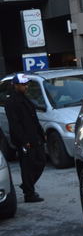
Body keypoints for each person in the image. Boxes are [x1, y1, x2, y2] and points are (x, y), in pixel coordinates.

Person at [5, 74, 46, 203]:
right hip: (25, 140)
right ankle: (29, 193)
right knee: (28, 166)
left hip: (34, 137)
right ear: (15, 85)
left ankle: (27, 185)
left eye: (26, 84)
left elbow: (33, 118)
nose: (26, 86)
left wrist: (41, 133)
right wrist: (24, 142)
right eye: (23, 84)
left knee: (41, 161)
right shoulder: (12, 101)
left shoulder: (24, 97)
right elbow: (15, 124)